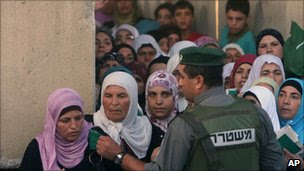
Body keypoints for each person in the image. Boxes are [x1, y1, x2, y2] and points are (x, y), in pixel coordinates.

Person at [95, 47, 285, 170]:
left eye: (182, 76)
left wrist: (119, 155)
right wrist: (297, 162)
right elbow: (278, 165)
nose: (178, 83)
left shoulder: (185, 124)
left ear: (199, 81)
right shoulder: (255, 114)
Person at [19, 88, 93, 170]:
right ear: (53, 122)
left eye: (78, 118)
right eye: (65, 120)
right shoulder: (39, 148)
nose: (74, 126)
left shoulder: (95, 141)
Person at [94, 71, 153, 170]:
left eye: (121, 96)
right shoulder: (89, 126)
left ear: (133, 99)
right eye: (108, 96)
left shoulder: (147, 130)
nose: (114, 102)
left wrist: (118, 153)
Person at [144, 70, 179, 161]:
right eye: (152, 94)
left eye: (165, 94)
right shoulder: (138, 126)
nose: (158, 101)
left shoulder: (185, 124)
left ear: (175, 96)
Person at [276, 78, 304, 170]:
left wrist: (296, 163)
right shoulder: (270, 127)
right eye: (281, 95)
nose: (286, 101)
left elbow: (296, 164)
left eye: (294, 97)